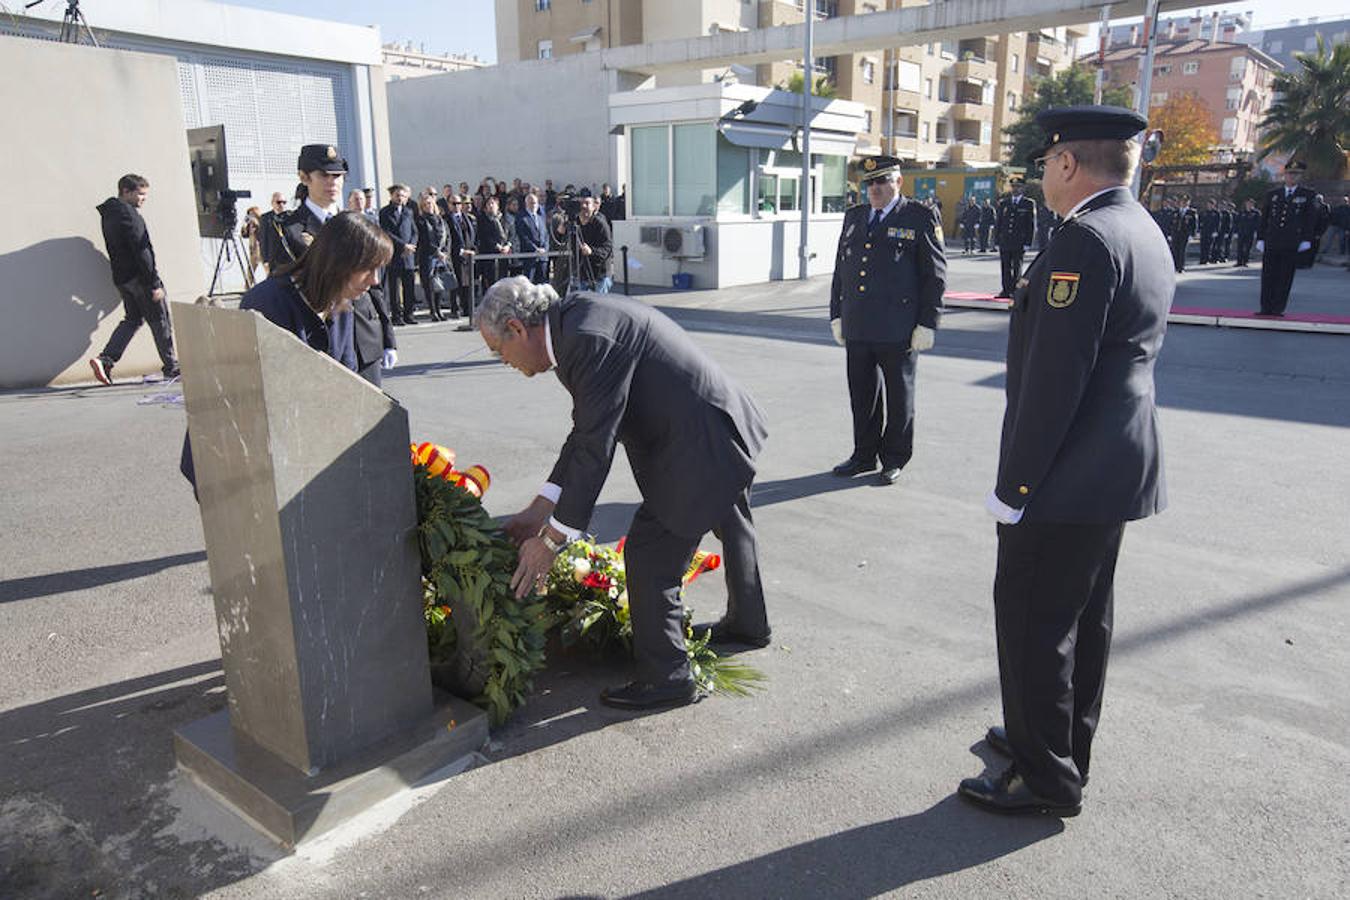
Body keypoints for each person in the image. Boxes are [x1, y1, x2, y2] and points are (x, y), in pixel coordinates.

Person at [958, 105, 1172, 818]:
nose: (1043, 176)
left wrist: (1013, 488)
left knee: (1033, 623)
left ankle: (1043, 776)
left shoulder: (1084, 240)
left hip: (1065, 475)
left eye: (1046, 163)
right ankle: (1056, 741)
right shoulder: (1139, 227)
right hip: (1116, 466)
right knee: (1083, 620)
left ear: (1069, 164)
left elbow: (1054, 382)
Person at [479, 276, 770, 710]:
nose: (502, 361)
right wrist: (540, 509)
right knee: (730, 518)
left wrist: (552, 541)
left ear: (518, 329)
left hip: (699, 442)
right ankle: (749, 624)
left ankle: (668, 678)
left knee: (650, 555)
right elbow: (585, 432)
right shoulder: (571, 324)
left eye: (497, 350)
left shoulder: (584, 339)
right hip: (718, 424)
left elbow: (596, 446)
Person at [827, 154, 946, 486]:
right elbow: (842, 270)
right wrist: (836, 314)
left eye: (882, 181)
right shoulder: (855, 216)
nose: (876, 189)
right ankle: (863, 454)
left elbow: (934, 275)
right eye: (870, 183)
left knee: (899, 396)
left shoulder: (919, 217)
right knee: (861, 395)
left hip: (899, 328)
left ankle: (894, 458)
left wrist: (928, 322)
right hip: (859, 324)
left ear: (899, 182)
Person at [89, 174, 179, 385]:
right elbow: (142, 251)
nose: (143, 199)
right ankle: (172, 367)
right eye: (140, 194)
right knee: (160, 320)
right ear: (126, 192)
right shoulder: (128, 215)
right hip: (140, 278)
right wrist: (154, 283)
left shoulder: (110, 214)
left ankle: (106, 360)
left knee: (133, 319)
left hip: (122, 278)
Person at [1257, 161, 1320, 316]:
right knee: (1268, 275)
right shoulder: (1273, 194)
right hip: (1272, 240)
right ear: (1284, 175)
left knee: (1285, 276)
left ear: (1300, 176)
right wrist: (1261, 238)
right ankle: (1266, 307)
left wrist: (1306, 239)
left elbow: (1310, 219)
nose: (1292, 177)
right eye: (1290, 174)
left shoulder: (1307, 195)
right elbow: (1264, 218)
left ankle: (1278, 308)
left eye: (1296, 174)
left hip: (1292, 241)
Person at [380, 184, 419, 325]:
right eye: (397, 195)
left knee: (409, 287)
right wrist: (403, 245)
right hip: (395, 254)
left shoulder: (408, 211)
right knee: (395, 288)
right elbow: (386, 232)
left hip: (409, 255)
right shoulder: (385, 212)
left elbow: (414, 231)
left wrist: (412, 245)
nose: (400, 198)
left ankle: (409, 314)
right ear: (391, 196)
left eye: (403, 195)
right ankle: (396, 316)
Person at [415, 193, 454, 322]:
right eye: (425, 204)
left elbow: (448, 237)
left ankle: (439, 310)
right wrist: (436, 252)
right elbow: (423, 240)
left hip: (442, 258)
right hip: (428, 256)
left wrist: (445, 252)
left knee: (441, 284)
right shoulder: (420, 220)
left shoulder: (440, 220)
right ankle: (433, 312)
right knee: (430, 285)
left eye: (430, 203)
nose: (428, 206)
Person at [995, 177, 1036, 297]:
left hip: (1019, 241)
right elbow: (999, 222)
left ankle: (1015, 290)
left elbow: (1031, 224)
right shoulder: (1004, 203)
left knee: (1017, 267)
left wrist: (1028, 242)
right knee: (1005, 266)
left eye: (1018, 187)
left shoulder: (1028, 203)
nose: (1015, 189)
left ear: (1022, 189)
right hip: (1005, 240)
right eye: (1013, 187)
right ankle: (1005, 290)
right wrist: (996, 239)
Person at [575, 191, 613, 292]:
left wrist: (591, 251)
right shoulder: (575, 224)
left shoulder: (600, 224)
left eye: (587, 203)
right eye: (581, 203)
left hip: (599, 275)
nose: (584, 206)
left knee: (598, 305)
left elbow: (607, 248)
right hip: (582, 274)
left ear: (594, 207)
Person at [447, 194, 476, 319]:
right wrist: (460, 250)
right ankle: (455, 308)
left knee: (467, 283)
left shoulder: (467, 218)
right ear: (449, 205)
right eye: (454, 204)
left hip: (468, 255)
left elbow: (472, 235)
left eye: (459, 203)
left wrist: (471, 249)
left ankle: (467, 308)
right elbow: (448, 238)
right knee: (455, 283)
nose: (457, 206)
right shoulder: (447, 219)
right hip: (455, 255)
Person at [476, 195, 512, 290]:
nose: (491, 205)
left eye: (493, 203)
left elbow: (510, 234)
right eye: (488, 204)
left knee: (503, 280)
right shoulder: (482, 219)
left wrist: (507, 245)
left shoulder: (503, 219)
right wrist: (497, 246)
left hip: (503, 256)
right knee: (490, 282)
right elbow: (484, 236)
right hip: (489, 255)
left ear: (498, 205)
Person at [516, 191, 550, 284]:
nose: (534, 205)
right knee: (529, 284)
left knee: (542, 283)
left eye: (535, 203)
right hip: (530, 256)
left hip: (542, 257)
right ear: (526, 204)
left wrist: (545, 249)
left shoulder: (540, 217)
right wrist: (535, 249)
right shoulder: (521, 217)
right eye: (531, 203)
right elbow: (523, 236)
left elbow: (546, 235)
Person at [258, 192, 288, 273]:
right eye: (278, 202)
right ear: (272, 203)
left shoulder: (290, 216)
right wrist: (265, 261)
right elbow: (263, 240)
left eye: (284, 202)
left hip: (287, 257)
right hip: (273, 258)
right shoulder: (265, 218)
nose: (281, 205)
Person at [1170, 194, 1197, 273]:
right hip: (1175, 234)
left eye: (1186, 201)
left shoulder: (1191, 212)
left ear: (1188, 202)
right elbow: (1171, 223)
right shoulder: (1176, 211)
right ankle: (1175, 266)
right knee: (1175, 250)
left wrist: (1192, 234)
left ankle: (1181, 267)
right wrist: (1170, 233)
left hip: (1185, 234)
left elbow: (1194, 224)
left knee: (1182, 250)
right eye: (1182, 201)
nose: (1184, 203)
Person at [1233, 198, 1260, 267]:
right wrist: (1235, 232)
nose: (1249, 205)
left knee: (1247, 247)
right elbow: (1236, 222)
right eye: (1247, 203)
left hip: (1250, 233)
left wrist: (1256, 232)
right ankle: (1239, 262)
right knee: (1240, 247)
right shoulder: (1241, 212)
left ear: (1253, 204)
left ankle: (1245, 261)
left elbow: (1258, 223)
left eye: (1250, 204)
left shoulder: (1256, 213)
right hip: (1241, 232)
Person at [240, 206, 262, 277]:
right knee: (250, 272)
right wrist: (244, 224)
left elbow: (262, 233)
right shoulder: (250, 224)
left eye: (252, 214)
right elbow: (244, 235)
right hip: (253, 250)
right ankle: (248, 286)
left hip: (261, 249)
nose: (251, 216)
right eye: (249, 214)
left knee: (267, 269)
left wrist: (256, 224)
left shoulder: (261, 221)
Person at [1198, 199, 1220, 265]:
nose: (1209, 206)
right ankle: (1202, 259)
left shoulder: (1216, 213)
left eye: (1211, 204)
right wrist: (1199, 230)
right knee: (1202, 246)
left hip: (1211, 232)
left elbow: (1218, 223)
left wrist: (1216, 231)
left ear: (1214, 205)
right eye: (1208, 204)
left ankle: (1207, 259)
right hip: (1204, 231)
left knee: (1209, 247)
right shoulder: (1203, 212)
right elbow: (1200, 221)